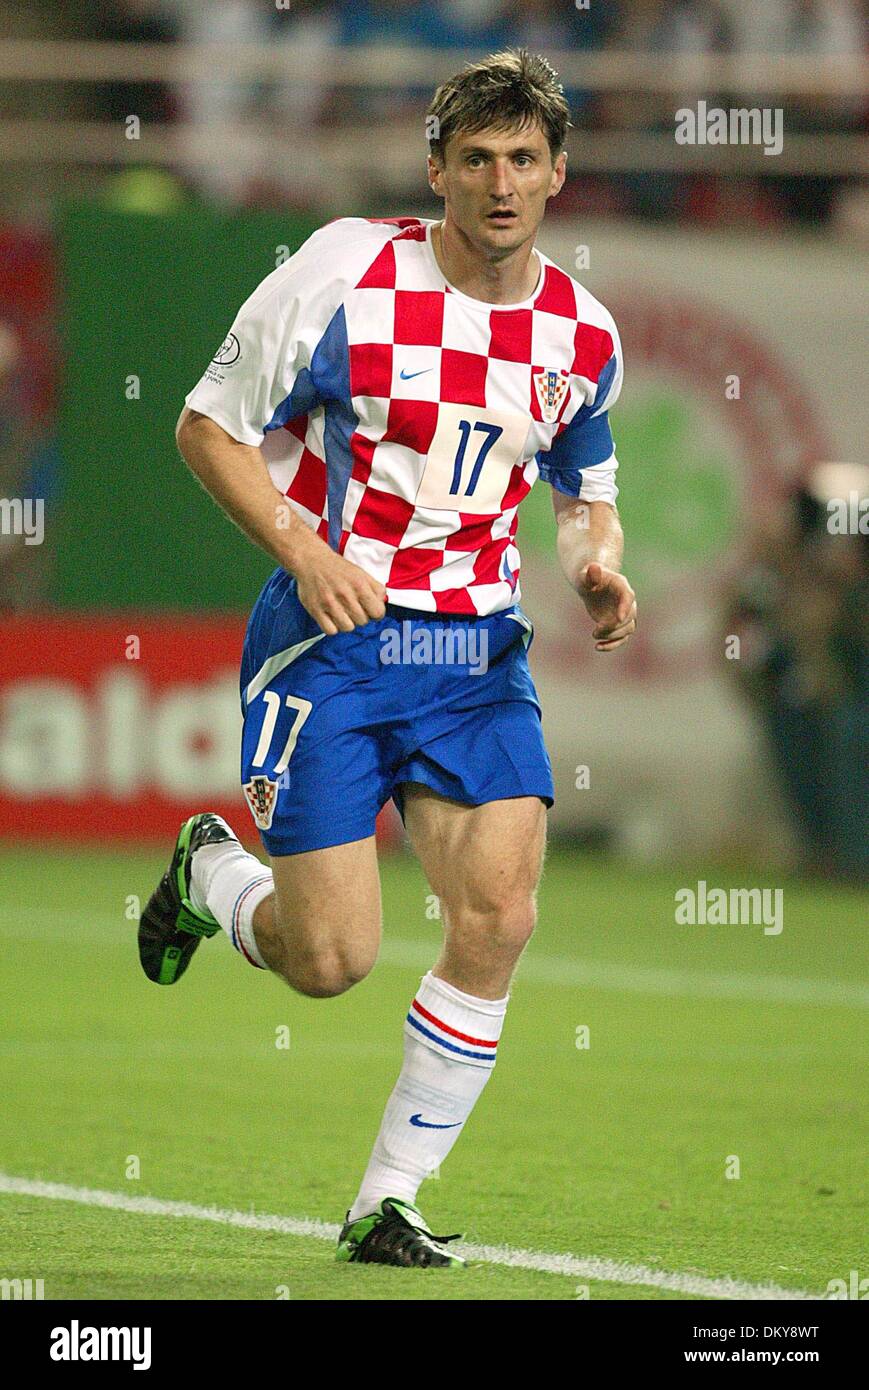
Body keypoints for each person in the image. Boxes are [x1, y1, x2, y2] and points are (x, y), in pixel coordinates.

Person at [139, 49, 637, 1268]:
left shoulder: (582, 331)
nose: (500, 182)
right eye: (475, 158)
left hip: (474, 654)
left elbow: (584, 490)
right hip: (334, 645)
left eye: (523, 158)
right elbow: (207, 426)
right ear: (436, 168)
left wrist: (594, 566)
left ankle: (390, 1198)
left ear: (558, 173)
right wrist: (303, 546)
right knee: (329, 961)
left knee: (502, 914)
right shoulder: (345, 270)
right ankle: (213, 874)